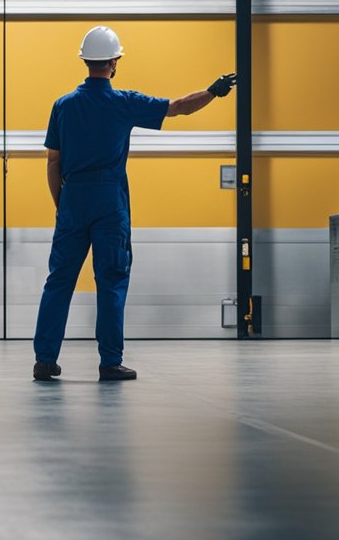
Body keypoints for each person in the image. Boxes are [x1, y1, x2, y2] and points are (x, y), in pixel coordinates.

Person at [33, 25, 236, 382]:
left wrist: (62, 205)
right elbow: (178, 108)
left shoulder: (63, 106)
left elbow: (53, 162)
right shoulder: (124, 102)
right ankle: (110, 362)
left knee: (59, 280)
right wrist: (214, 91)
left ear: (86, 61)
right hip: (109, 201)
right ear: (114, 62)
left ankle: (44, 361)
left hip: (73, 198)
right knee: (110, 280)